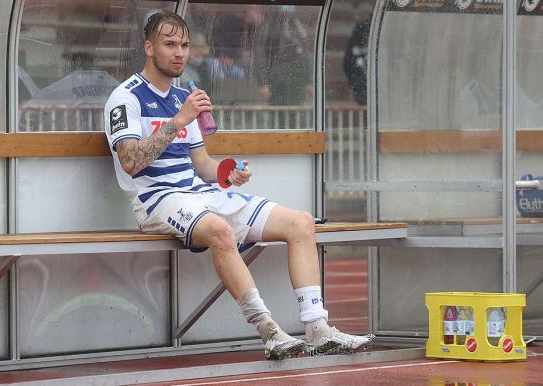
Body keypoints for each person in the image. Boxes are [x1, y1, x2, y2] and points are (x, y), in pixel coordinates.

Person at [104, 11, 374, 360]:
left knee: (301, 223)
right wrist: (181, 119)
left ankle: (318, 330)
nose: (180, 53)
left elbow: (202, 165)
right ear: (148, 47)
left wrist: (228, 175)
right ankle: (270, 331)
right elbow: (130, 161)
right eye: (170, 44)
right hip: (157, 200)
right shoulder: (126, 98)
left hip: (199, 194)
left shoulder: (182, 96)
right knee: (219, 230)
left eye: (184, 45)